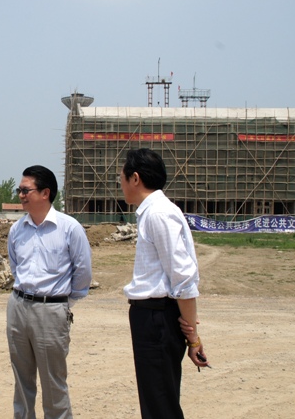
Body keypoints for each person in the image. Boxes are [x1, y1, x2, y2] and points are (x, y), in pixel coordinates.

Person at [119, 148, 210, 419]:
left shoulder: (158, 214)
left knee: (160, 405)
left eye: (122, 178)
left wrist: (193, 337)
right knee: (157, 401)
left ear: (135, 178)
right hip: (152, 316)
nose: (121, 185)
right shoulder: (154, 212)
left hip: (156, 317)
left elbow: (182, 276)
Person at [6, 165, 92, 419]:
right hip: (18, 307)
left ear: (45, 193)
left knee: (53, 382)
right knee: (21, 380)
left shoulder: (69, 228)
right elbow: (15, 267)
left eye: (26, 190)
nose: (21, 195)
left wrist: (62, 303)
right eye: (19, 190)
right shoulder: (17, 230)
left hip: (52, 310)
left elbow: (83, 272)